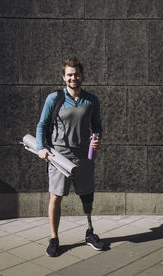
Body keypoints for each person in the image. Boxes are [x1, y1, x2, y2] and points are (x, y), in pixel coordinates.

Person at [36, 58, 104, 257]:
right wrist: (41, 148)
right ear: (64, 77)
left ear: (81, 75)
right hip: (59, 156)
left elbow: (97, 127)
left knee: (87, 195)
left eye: (76, 74)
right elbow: (42, 124)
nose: (73, 77)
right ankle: (54, 238)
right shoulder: (54, 98)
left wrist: (97, 138)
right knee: (56, 197)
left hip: (84, 155)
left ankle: (90, 233)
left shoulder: (91, 100)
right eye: (69, 74)